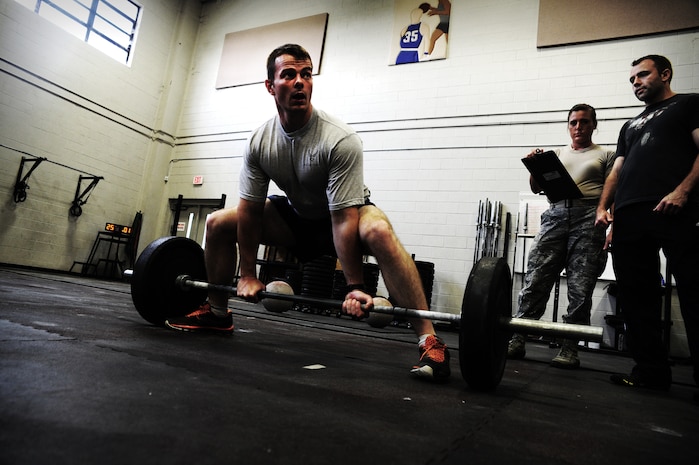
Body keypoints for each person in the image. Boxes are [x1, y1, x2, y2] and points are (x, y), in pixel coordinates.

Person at [165, 43, 451, 382]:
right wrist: (246, 274)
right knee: (218, 222)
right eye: (288, 74)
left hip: (349, 213)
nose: (300, 81)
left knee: (379, 232)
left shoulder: (339, 139)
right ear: (270, 86)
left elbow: (343, 217)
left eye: (306, 74)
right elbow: (251, 212)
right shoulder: (260, 141)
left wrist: (355, 286)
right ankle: (216, 313)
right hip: (297, 218)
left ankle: (429, 339)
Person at [595, 55, 699, 396]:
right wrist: (604, 209)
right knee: (637, 297)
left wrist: (683, 192)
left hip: (674, 207)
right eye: (632, 79)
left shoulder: (688, 105)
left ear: (665, 74)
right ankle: (651, 371)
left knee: (694, 289)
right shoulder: (631, 125)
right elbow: (617, 171)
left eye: (643, 75)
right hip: (630, 216)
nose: (636, 82)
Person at [507, 104, 615, 368]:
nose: (578, 127)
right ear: (568, 125)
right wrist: (534, 165)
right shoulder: (556, 154)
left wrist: (613, 227)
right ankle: (518, 338)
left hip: (588, 218)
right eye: (574, 122)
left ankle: (569, 349)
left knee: (580, 288)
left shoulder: (606, 155)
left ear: (594, 125)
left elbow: (613, 194)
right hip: (555, 215)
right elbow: (537, 188)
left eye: (584, 122)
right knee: (535, 279)